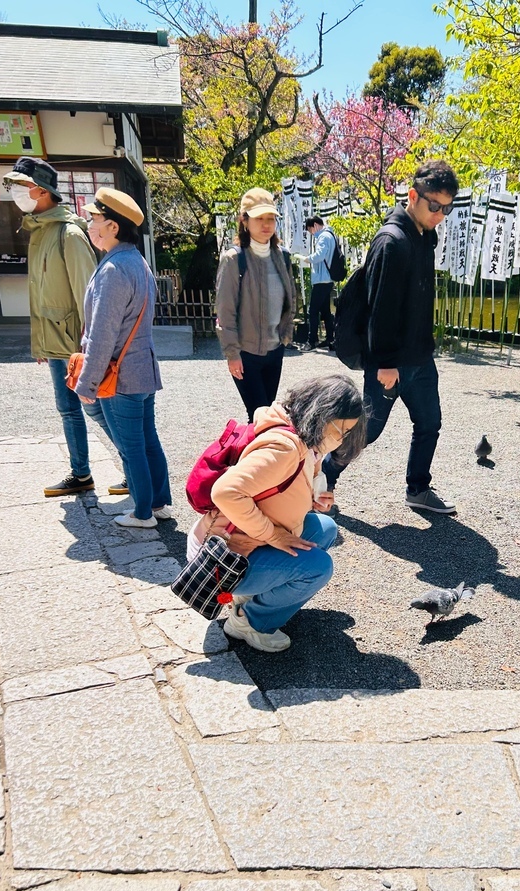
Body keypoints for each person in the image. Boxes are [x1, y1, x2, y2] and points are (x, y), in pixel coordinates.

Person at [186, 375, 366, 653]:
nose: (341, 439)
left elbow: (277, 491)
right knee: (318, 567)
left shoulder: (300, 435)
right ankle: (250, 622)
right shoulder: (284, 447)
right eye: (341, 430)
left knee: (325, 528)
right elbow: (225, 492)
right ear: (323, 416)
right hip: (222, 558)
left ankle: (252, 596)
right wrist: (273, 535)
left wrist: (312, 500)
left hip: (242, 541)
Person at [322, 159, 460, 515]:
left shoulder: (423, 237)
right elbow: (380, 309)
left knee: (429, 423)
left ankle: (418, 488)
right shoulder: (392, 241)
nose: (440, 215)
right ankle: (324, 476)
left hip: (419, 357)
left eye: (447, 208)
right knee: (368, 432)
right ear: (413, 196)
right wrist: (385, 363)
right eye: (434, 206)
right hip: (390, 362)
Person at [3, 157, 127, 498]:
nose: (13, 192)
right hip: (56, 342)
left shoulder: (69, 233)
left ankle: (132, 469)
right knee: (68, 409)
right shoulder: (40, 229)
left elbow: (90, 296)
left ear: (41, 191)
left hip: (77, 343)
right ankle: (81, 472)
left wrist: (91, 348)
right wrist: (41, 344)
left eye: (19, 186)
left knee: (96, 409)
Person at [74, 187, 172, 528]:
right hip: (142, 367)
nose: (90, 224)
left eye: (94, 219)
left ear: (113, 227)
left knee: (132, 447)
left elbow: (103, 334)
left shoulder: (114, 268)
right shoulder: (138, 263)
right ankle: (159, 503)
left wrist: (87, 381)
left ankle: (143, 512)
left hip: (120, 373)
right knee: (148, 440)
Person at [215, 188, 297, 421]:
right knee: (260, 415)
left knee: (266, 414)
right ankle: (253, 456)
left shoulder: (283, 256)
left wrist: (285, 335)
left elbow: (289, 299)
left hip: (275, 349)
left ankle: (255, 455)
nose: (266, 224)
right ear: (244, 220)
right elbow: (225, 311)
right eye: (259, 218)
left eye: (270, 218)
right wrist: (232, 353)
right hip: (246, 352)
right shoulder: (234, 258)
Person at [302, 215, 336, 349]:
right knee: (326, 311)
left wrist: (308, 259)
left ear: (315, 225)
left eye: (310, 230)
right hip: (328, 278)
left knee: (313, 310)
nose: (311, 233)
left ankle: (312, 341)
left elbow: (320, 255)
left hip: (322, 279)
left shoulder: (323, 237)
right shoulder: (330, 235)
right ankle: (330, 340)